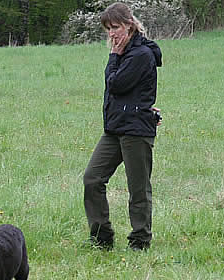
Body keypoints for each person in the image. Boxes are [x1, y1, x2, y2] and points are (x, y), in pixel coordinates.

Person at [83, 2, 162, 251]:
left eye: (115, 27)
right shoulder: (126, 53)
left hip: (136, 130)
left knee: (138, 189)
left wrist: (113, 56)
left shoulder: (140, 55)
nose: (111, 34)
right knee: (92, 179)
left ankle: (140, 240)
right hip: (115, 129)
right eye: (107, 28)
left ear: (129, 25)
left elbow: (116, 85)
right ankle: (101, 237)